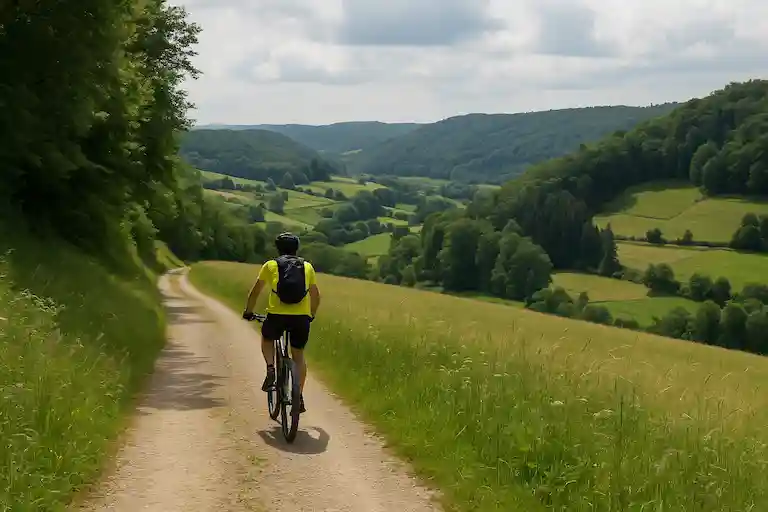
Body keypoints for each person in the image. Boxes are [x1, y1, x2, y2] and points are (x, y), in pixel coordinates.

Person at [242, 232, 321, 413]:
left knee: (267, 338)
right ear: (297, 248)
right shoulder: (307, 267)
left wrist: (248, 312)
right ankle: (298, 396)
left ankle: (271, 368)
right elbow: (316, 295)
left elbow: (255, 292)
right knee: (298, 355)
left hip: (276, 315)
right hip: (301, 318)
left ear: (277, 248)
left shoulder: (270, 265)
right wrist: (311, 314)